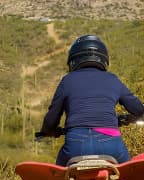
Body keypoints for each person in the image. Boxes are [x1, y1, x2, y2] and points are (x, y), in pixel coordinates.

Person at [39, 34, 144, 166]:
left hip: (76, 145)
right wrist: (127, 118)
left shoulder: (67, 80)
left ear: (73, 59)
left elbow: (52, 117)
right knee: (129, 175)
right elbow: (138, 109)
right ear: (104, 58)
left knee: (59, 178)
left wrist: (48, 131)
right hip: (111, 144)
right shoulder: (113, 79)